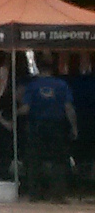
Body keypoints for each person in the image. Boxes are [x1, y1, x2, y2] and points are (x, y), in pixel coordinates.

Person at [18, 59, 76, 201]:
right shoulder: (62, 85)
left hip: (36, 126)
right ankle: (58, 194)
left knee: (34, 161)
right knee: (59, 161)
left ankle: (35, 194)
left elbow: (26, 109)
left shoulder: (33, 85)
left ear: (40, 70)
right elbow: (68, 108)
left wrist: (14, 113)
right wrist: (74, 127)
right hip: (56, 126)